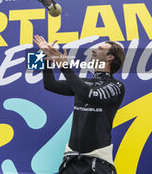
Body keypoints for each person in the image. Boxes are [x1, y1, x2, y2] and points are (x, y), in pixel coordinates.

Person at [33, 35, 125, 174]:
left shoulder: (116, 86)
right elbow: (49, 85)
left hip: (98, 162)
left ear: (110, 57)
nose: (93, 51)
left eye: (100, 49)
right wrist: (44, 56)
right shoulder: (84, 83)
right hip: (71, 161)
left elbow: (88, 95)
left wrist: (64, 65)